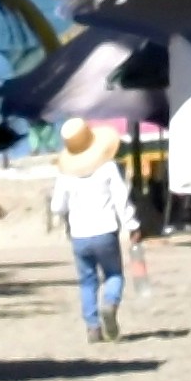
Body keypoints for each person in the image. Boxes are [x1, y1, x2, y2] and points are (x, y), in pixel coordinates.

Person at [53, 122, 142, 342]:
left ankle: (93, 327)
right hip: (106, 231)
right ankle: (110, 304)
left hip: (80, 236)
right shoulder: (108, 168)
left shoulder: (65, 175)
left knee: (87, 282)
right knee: (113, 274)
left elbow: (57, 207)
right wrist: (132, 225)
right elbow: (121, 199)